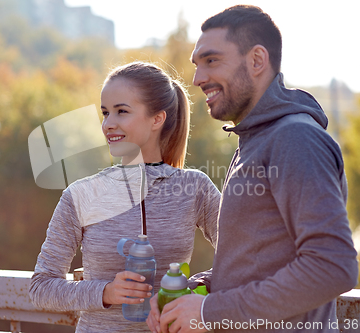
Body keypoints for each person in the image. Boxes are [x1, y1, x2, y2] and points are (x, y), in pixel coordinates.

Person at [147, 5, 358, 333]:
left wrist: (209, 312)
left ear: (257, 60)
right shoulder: (255, 139)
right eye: (197, 65)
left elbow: (332, 266)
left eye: (211, 61)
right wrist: (197, 291)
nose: (198, 79)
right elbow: (259, 265)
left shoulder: (294, 138)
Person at [29, 61, 220, 332]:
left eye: (122, 112)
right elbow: (41, 287)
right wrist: (106, 292)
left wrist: (193, 287)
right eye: (105, 113)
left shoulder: (194, 187)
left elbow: (245, 258)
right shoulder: (82, 195)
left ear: (157, 119)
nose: (108, 124)